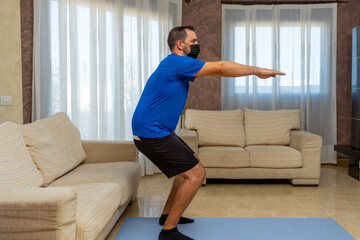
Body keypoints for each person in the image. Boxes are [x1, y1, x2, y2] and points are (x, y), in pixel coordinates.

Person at [132, 26, 285, 240]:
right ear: (180, 45)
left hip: (155, 130)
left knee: (190, 165)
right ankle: (168, 231)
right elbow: (222, 68)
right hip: (151, 132)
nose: (196, 45)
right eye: (193, 41)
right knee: (196, 174)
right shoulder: (175, 62)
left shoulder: (176, 65)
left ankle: (167, 215)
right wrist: (257, 70)